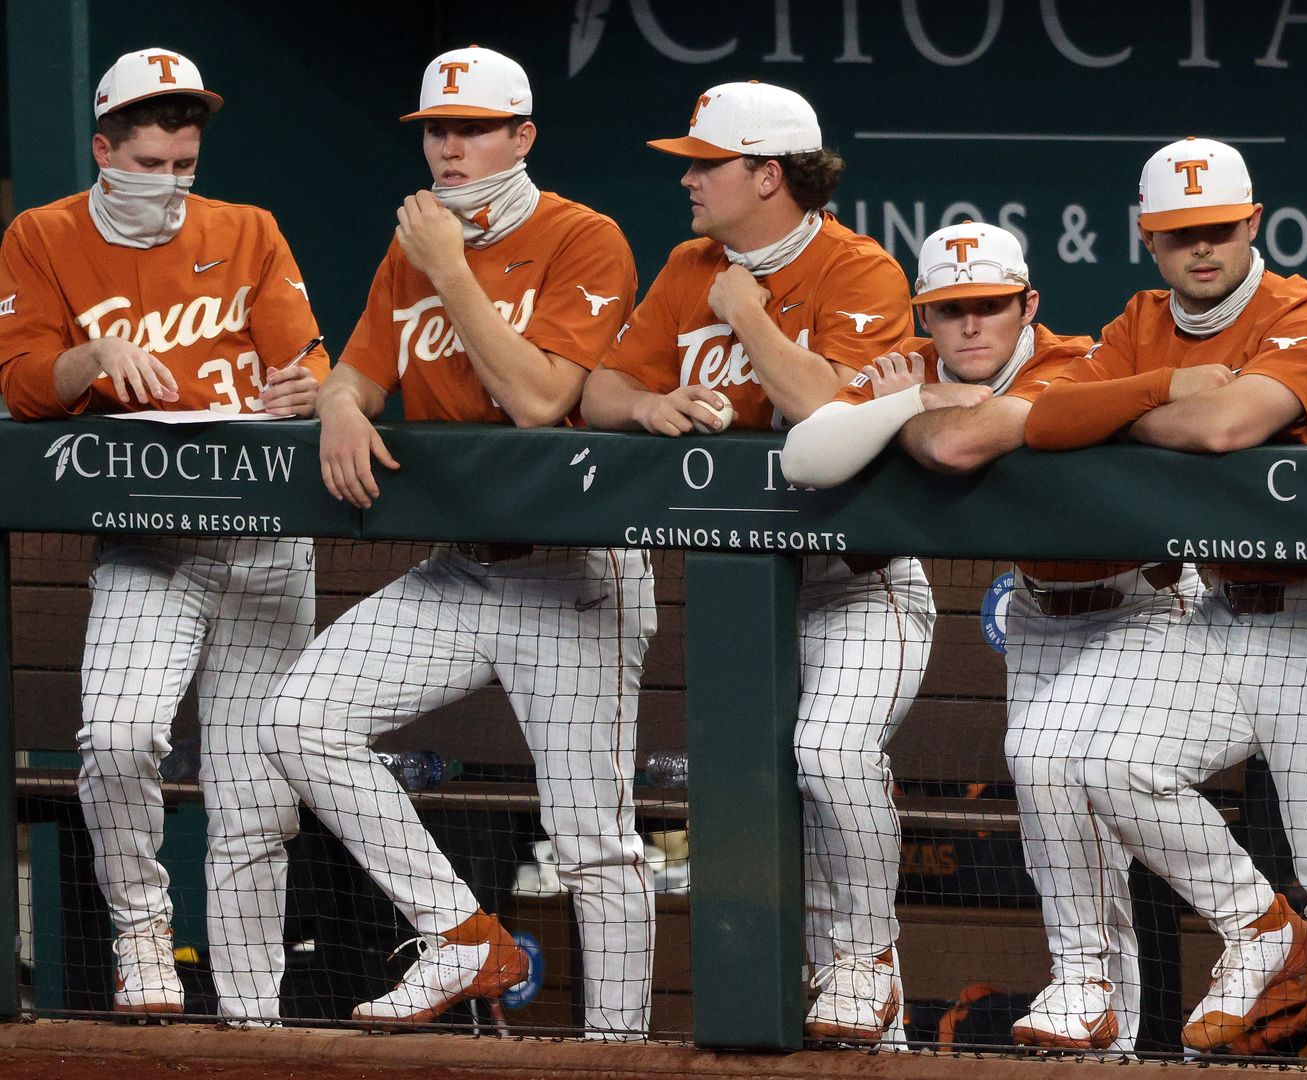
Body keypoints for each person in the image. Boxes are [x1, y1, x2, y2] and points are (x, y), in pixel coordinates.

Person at [258, 46, 653, 1036]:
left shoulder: (582, 236)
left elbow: (539, 399)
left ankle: (618, 1051)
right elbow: (358, 373)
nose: (449, 147)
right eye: (437, 129)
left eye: (473, 129)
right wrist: (339, 406)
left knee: (592, 842)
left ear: (522, 136)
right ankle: (464, 935)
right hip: (461, 573)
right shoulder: (414, 246)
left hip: (572, 574)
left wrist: (448, 267)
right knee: (299, 720)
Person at [1025, 137, 1307, 1067]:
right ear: (1148, 239)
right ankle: (1261, 927)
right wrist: (1162, 390)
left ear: (1253, 224)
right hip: (1222, 610)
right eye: (1179, 234)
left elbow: (1226, 427)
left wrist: (1126, 416)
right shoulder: (1140, 323)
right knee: (1110, 761)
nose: (1201, 249)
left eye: (1218, 229)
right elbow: (1047, 419)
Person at [784, 221, 1203, 1052]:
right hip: (1043, 611)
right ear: (924, 316)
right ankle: (1094, 1017)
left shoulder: (1076, 363)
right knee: (1062, 820)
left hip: (1145, 604)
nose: (971, 325)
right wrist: (907, 400)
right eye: (950, 310)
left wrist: (924, 414)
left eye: (990, 306)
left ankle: (1131, 1013)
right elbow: (806, 455)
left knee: (1087, 810)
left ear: (1028, 306)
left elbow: (956, 443)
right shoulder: (909, 369)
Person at [581, 80, 933, 1044]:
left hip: (858, 585)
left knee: (831, 754)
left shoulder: (859, 269)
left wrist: (745, 311)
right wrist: (647, 405)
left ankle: (867, 958)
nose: (688, 179)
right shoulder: (686, 263)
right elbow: (601, 388)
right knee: (762, 792)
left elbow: (825, 411)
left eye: (707, 164)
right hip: (741, 591)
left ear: (769, 175)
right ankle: (851, 1010)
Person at [0, 47, 327, 1022]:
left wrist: (305, 387)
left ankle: (252, 1009)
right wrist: (91, 355)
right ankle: (142, 939)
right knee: (118, 738)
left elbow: (307, 362)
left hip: (262, 531)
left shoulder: (247, 229)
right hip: (147, 536)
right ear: (104, 151)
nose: (170, 181)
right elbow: (18, 384)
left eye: (184, 165)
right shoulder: (43, 235)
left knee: (253, 789)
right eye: (150, 164)